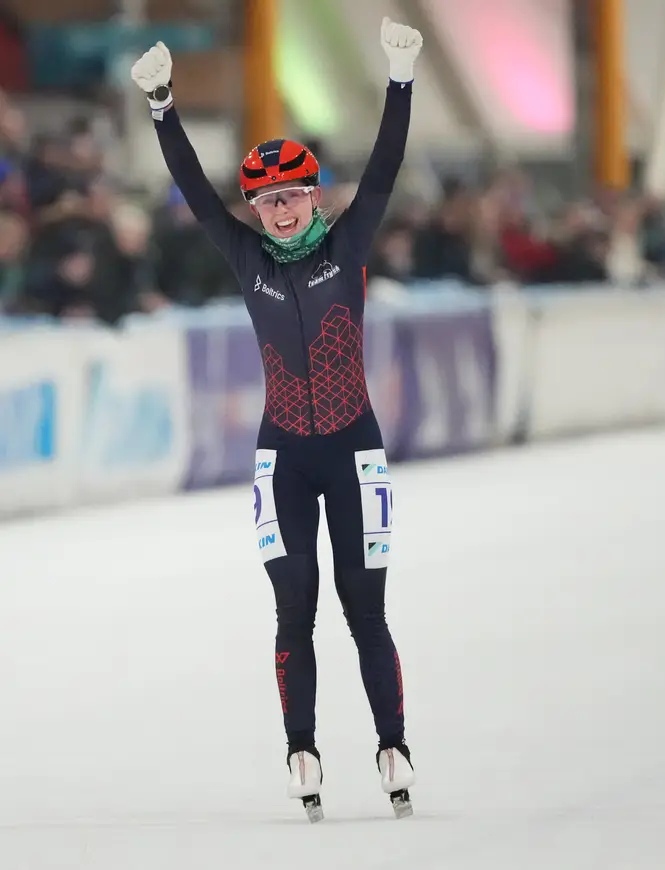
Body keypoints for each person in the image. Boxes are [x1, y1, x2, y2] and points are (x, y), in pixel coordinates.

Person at [130, 18, 423, 822]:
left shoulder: (351, 240)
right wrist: (162, 109)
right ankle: (302, 748)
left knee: (365, 608)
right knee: (295, 606)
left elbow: (388, 170)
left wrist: (400, 80)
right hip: (282, 458)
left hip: (355, 450)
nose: (279, 213)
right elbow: (194, 191)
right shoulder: (246, 257)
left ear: (315, 196)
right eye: (264, 202)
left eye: (290, 197)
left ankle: (393, 742)